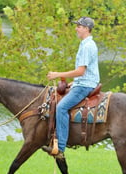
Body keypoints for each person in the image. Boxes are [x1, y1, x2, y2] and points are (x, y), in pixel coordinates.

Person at [42, 16, 100, 158]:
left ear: (86, 29)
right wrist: (75, 81)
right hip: (84, 82)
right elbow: (86, 71)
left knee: (61, 107)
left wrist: (57, 74)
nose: (76, 28)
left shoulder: (87, 46)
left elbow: (81, 71)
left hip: (85, 86)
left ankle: (60, 148)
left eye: (79, 26)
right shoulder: (86, 44)